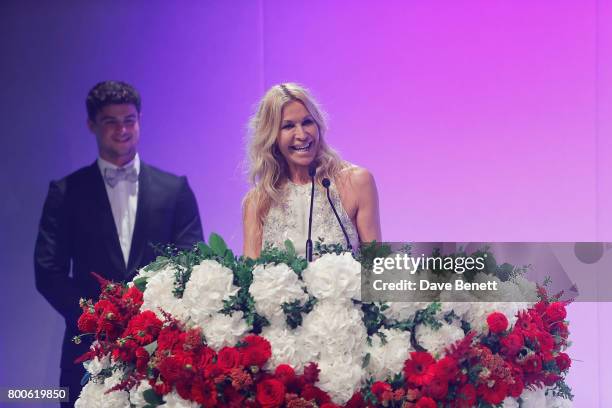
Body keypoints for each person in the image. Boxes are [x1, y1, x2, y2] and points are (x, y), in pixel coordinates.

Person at [34, 80, 203, 407]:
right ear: (92, 125)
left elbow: (190, 262)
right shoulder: (66, 192)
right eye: (111, 121)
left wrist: (154, 314)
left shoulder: (175, 190)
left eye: (129, 120)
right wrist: (97, 315)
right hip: (87, 346)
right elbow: (48, 272)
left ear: (139, 121)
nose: (122, 129)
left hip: (160, 346)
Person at [243, 83, 381, 259]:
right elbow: (251, 279)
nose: (301, 135)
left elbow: (376, 268)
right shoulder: (258, 202)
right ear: (271, 136)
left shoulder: (357, 182)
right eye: (288, 126)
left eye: (307, 122)